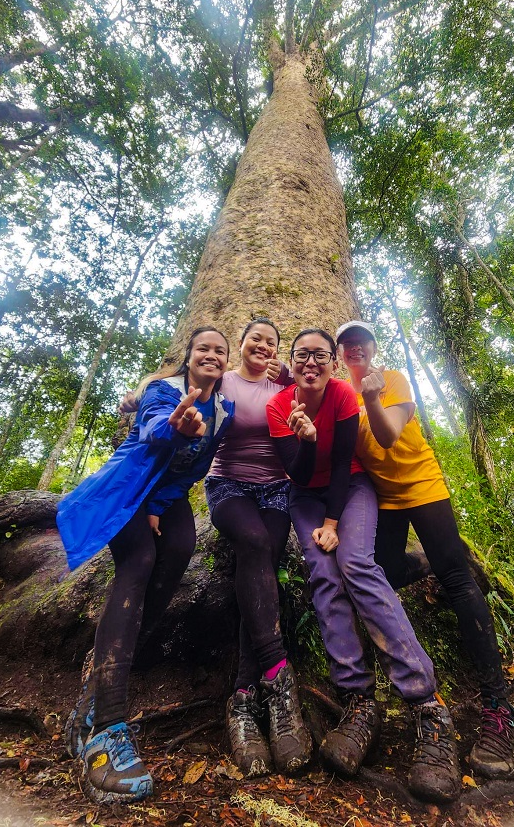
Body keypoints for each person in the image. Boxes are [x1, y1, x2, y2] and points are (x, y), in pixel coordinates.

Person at [266, 328, 461, 803]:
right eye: (302, 356)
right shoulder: (279, 405)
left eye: (321, 355)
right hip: (302, 496)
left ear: (333, 363)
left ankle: (426, 705)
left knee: (355, 563)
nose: (311, 363)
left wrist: (334, 522)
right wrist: (305, 437)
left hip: (349, 489)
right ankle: (357, 699)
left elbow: (340, 466)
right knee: (323, 576)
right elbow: (296, 472)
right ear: (291, 364)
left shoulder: (340, 394)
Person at [336, 320, 514, 780]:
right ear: (340, 354)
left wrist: (374, 397)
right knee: (381, 572)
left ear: (373, 348)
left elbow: (387, 436)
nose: (354, 348)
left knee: (457, 579)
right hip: (384, 497)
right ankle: (425, 562)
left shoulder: (392, 380)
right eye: (346, 344)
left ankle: (499, 708)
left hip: (423, 486)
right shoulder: (342, 394)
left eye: (361, 341)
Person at [57, 327, 234, 804]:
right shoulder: (164, 391)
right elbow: (153, 426)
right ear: (190, 356)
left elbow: (197, 469)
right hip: (129, 481)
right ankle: (108, 725)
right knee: (138, 562)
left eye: (220, 351)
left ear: (225, 362)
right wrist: (174, 427)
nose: (211, 356)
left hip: (161, 493)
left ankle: (95, 694)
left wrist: (162, 503)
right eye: (204, 349)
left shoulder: (225, 411)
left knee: (177, 553)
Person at [204, 318, 311, 776]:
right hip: (228, 487)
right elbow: (172, 383)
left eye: (271, 341)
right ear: (241, 344)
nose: (262, 346)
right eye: (255, 339)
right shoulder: (222, 379)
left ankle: (244, 699)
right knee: (253, 542)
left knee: (264, 559)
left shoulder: (285, 386)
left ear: (277, 351)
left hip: (275, 491)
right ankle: (277, 674)